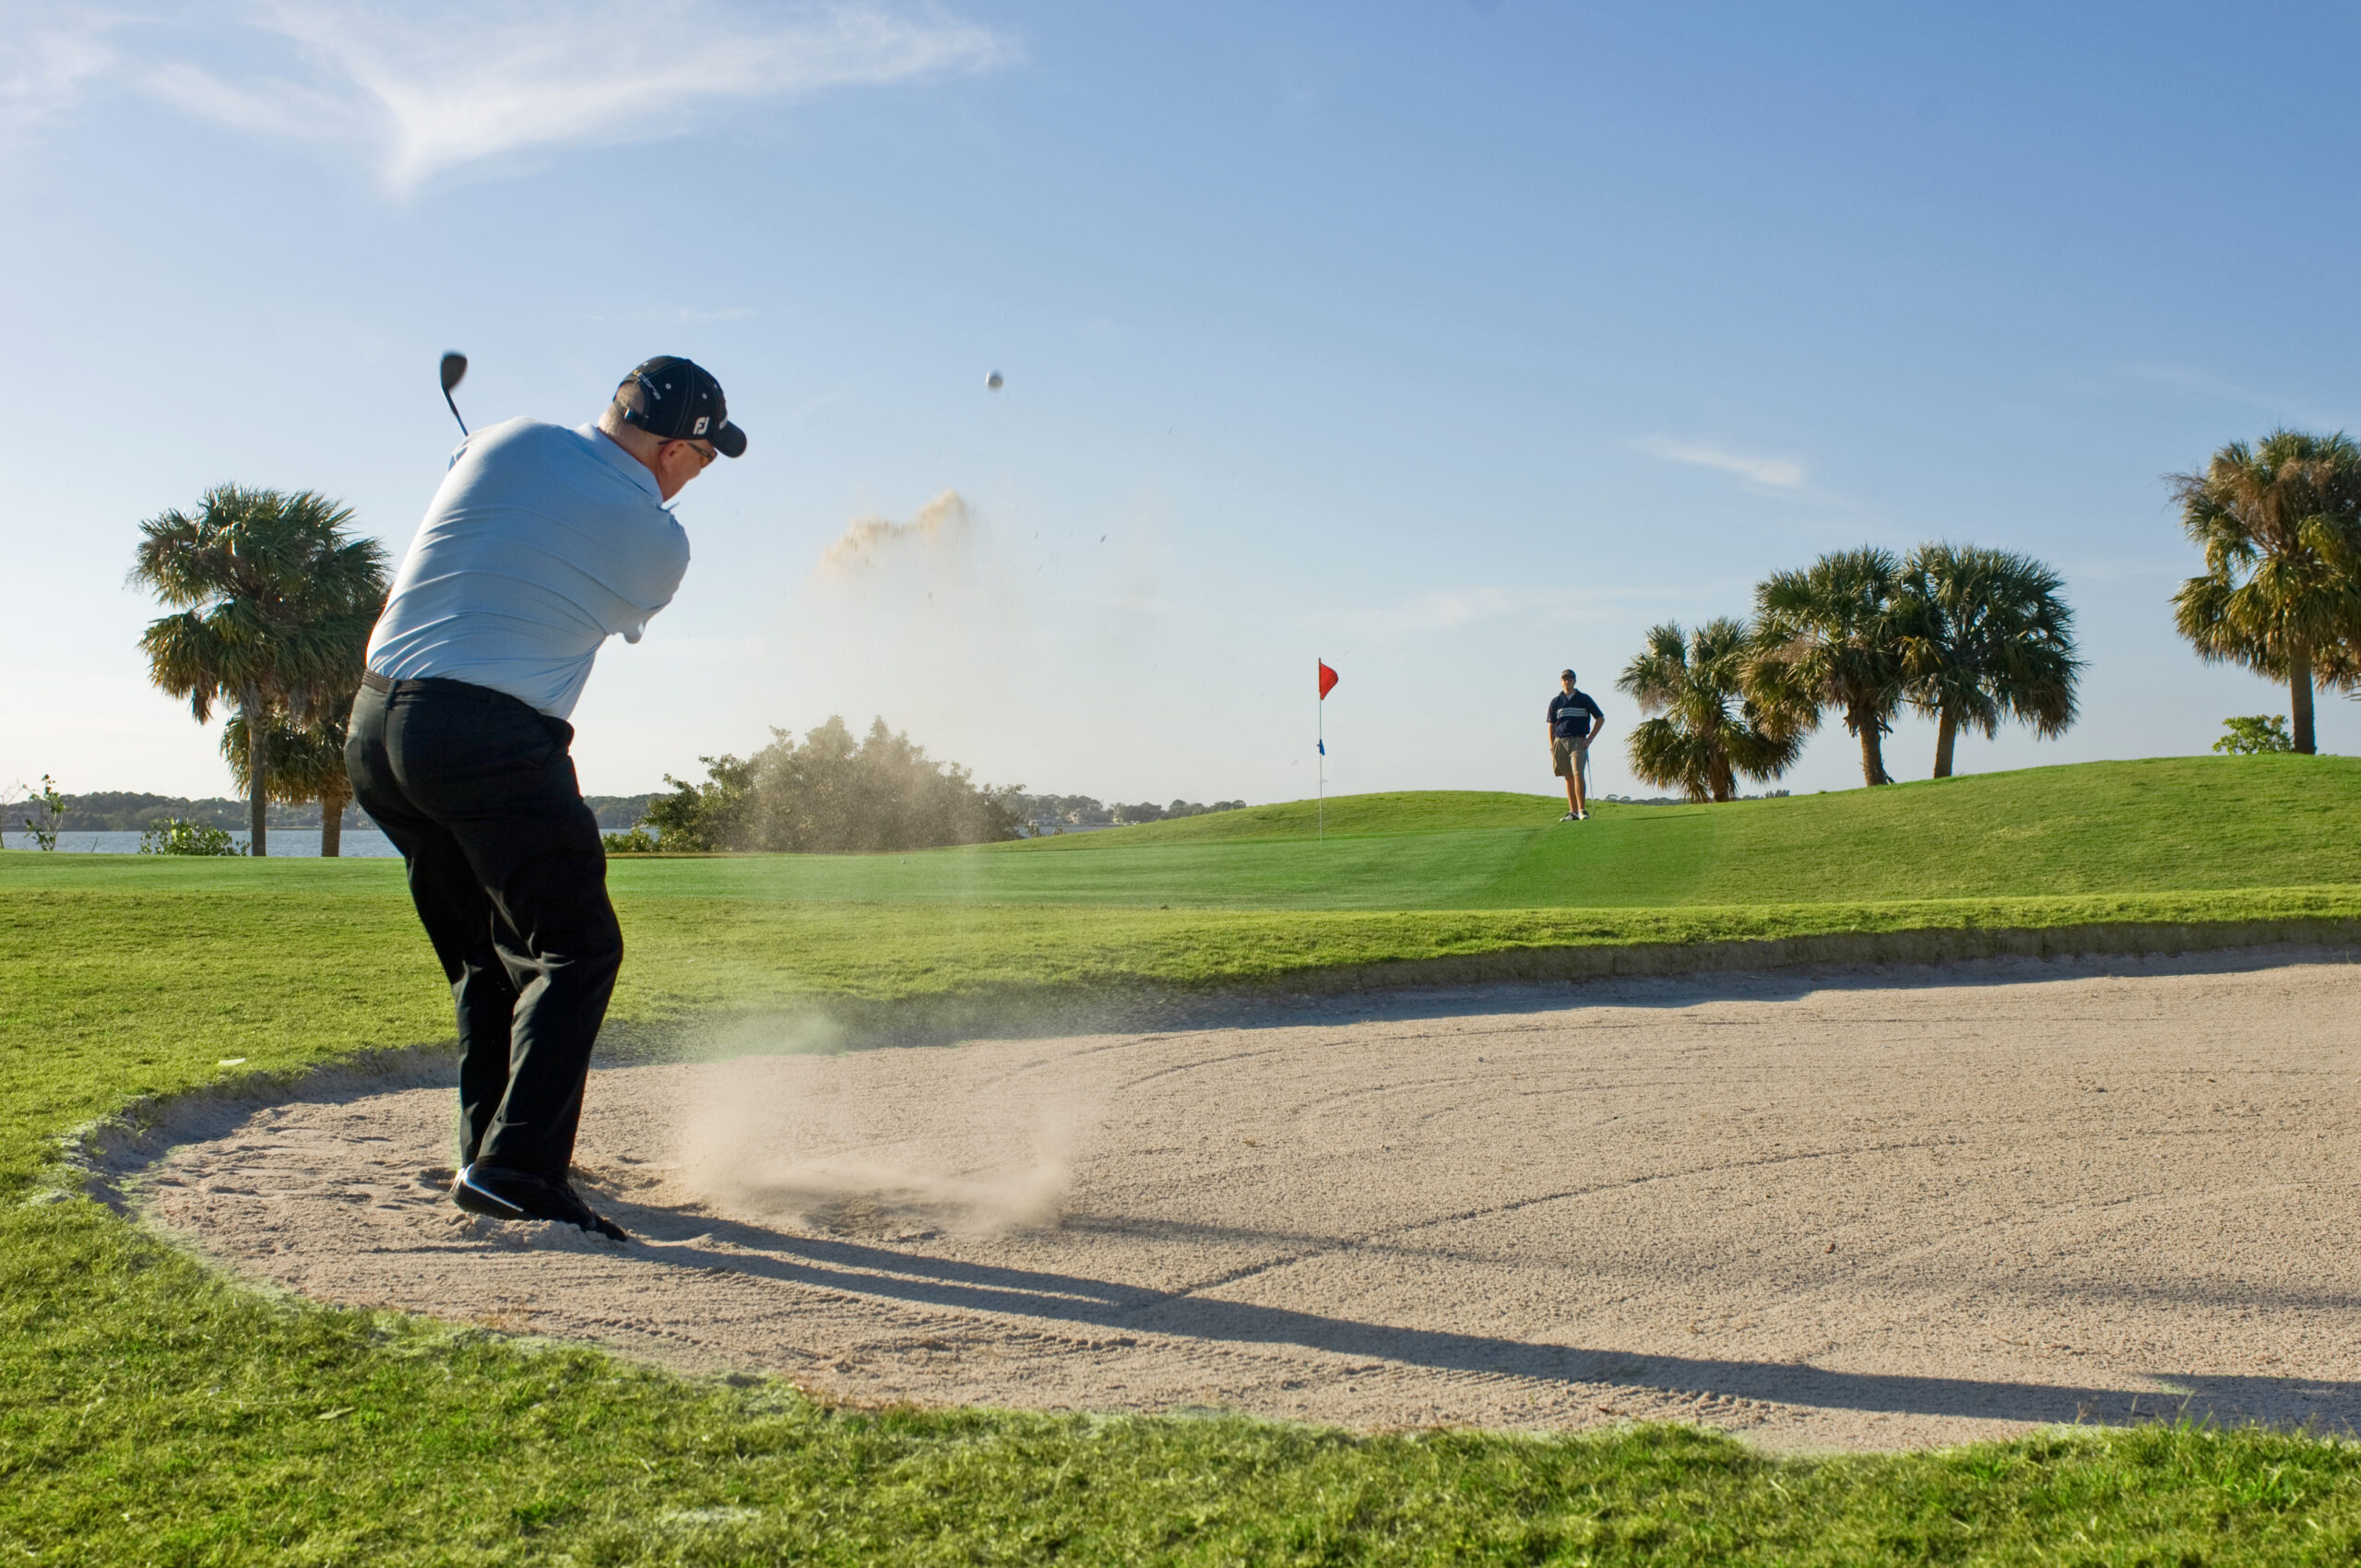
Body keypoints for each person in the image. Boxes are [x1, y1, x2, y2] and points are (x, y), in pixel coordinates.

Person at [346, 356, 745, 1241]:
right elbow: (607, 601)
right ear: (679, 449)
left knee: (490, 957)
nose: (699, 479)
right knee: (576, 947)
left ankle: (485, 1153)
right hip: (482, 736)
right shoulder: (658, 542)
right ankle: (520, 1170)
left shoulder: (505, 437)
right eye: (706, 461)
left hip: (375, 727)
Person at [1547, 668, 1605, 822]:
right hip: (1561, 741)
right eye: (1564, 679)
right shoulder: (1556, 701)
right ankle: (1572, 812)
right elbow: (1551, 725)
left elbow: (1600, 718)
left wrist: (1589, 739)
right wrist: (1552, 745)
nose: (1567, 681)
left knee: (1578, 773)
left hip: (1579, 740)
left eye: (1570, 679)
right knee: (1568, 777)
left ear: (1574, 681)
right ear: (1561, 681)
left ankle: (1582, 810)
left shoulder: (1584, 699)